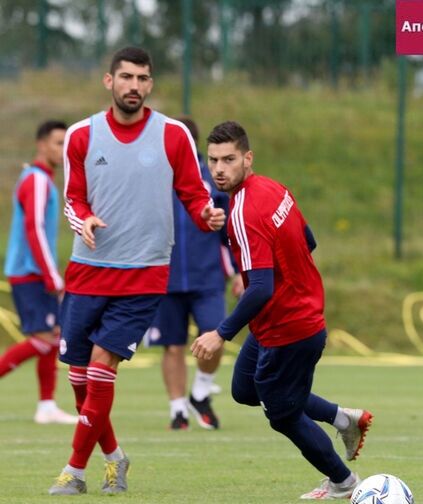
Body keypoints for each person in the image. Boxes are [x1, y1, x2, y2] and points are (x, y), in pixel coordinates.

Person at [48, 46, 225, 496]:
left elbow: (192, 192)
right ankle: (114, 457)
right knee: (78, 377)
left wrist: (206, 214)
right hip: (87, 272)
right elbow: (73, 198)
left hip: (145, 273)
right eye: (126, 77)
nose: (134, 86)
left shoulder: (173, 135)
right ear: (109, 81)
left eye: (143, 78)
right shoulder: (81, 135)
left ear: (151, 83)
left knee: (103, 366)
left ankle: (74, 472)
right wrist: (83, 219)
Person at [191, 121, 373, 500]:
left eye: (229, 159)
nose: (219, 168)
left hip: (290, 328)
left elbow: (260, 288)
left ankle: (343, 482)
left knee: (283, 415)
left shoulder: (244, 210)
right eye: (213, 160)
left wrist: (219, 333)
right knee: (245, 389)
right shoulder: (273, 188)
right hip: (279, 320)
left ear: (248, 158)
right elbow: (309, 240)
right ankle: (344, 418)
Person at [144, 117, 241, 431]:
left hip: (207, 277)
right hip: (165, 277)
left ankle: (200, 391)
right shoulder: (154, 177)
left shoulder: (212, 179)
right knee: (172, 345)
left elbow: (232, 230)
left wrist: (240, 271)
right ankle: (177, 410)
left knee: (215, 336)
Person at [1, 120, 76, 425]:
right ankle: (46, 404)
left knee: (53, 336)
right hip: (30, 273)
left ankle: (46, 406)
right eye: (58, 143)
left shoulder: (41, 178)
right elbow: (35, 229)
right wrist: (51, 275)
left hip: (34, 271)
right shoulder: (37, 181)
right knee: (44, 340)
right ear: (41, 144)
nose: (62, 150)